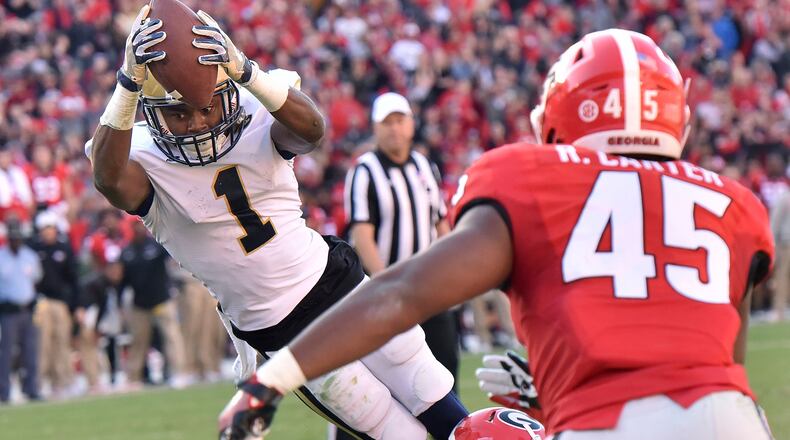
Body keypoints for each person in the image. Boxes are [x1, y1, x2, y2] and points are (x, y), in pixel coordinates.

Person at [223, 29, 776, 440]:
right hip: (737, 422)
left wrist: (273, 378)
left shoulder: (529, 177)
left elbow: (397, 294)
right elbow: (715, 365)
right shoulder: (736, 205)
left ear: (561, 115)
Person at [87, 6, 465, 439]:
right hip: (281, 332)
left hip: (338, 287)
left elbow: (311, 131)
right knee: (396, 433)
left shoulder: (256, 105)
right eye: (178, 114)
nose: (197, 122)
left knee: (437, 400)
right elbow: (109, 179)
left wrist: (247, 71)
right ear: (149, 114)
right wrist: (127, 85)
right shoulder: (138, 156)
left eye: (208, 106)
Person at [345, 92, 460, 386]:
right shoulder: (364, 171)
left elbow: (440, 222)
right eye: (387, 123)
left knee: (446, 376)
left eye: (400, 121)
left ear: (411, 124)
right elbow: (362, 233)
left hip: (429, 288)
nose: (394, 128)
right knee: (388, 384)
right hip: (387, 290)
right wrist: (385, 282)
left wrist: (447, 271)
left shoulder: (424, 165)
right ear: (375, 128)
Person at [120, 220, 186, 389]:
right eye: (134, 226)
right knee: (139, 341)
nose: (138, 228)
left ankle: (179, 372)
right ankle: (134, 378)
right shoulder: (127, 251)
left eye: (139, 225)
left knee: (171, 337)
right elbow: (123, 281)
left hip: (162, 300)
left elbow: (173, 258)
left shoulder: (156, 245)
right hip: (140, 304)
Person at [29, 210, 79, 398]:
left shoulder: (64, 248)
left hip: (61, 302)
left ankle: (66, 380)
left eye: (50, 228)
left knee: (62, 342)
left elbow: (74, 280)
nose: (47, 232)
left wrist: (77, 305)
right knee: (43, 343)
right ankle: (43, 383)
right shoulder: (34, 249)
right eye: (44, 229)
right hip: (42, 302)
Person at [0, 218, 42, 403]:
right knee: (7, 352)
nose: (16, 241)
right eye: (13, 238)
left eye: (18, 238)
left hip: (27, 309)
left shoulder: (30, 256)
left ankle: (31, 389)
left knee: (30, 350)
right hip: (8, 311)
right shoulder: (1, 257)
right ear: (8, 238)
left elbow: (36, 278)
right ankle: (4, 392)